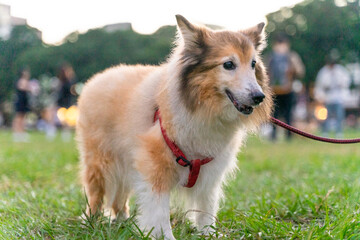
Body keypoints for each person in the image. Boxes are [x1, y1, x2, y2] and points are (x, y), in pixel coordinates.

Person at [268, 33, 305, 141]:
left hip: (288, 89)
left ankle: (289, 136)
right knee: (274, 115)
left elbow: (300, 71)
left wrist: (293, 66)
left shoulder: (292, 56)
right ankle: (273, 135)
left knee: (289, 114)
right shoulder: (271, 57)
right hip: (274, 90)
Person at [314, 55, 350, 137]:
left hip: (338, 97)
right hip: (327, 97)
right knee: (326, 116)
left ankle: (339, 132)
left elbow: (345, 81)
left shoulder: (340, 70)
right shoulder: (323, 72)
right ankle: (325, 131)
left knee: (339, 116)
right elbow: (319, 85)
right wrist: (320, 97)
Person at [12, 68, 31, 142]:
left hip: (24, 101)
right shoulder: (21, 81)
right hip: (20, 101)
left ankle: (22, 132)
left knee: (23, 118)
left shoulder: (26, 81)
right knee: (18, 117)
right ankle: (17, 132)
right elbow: (23, 88)